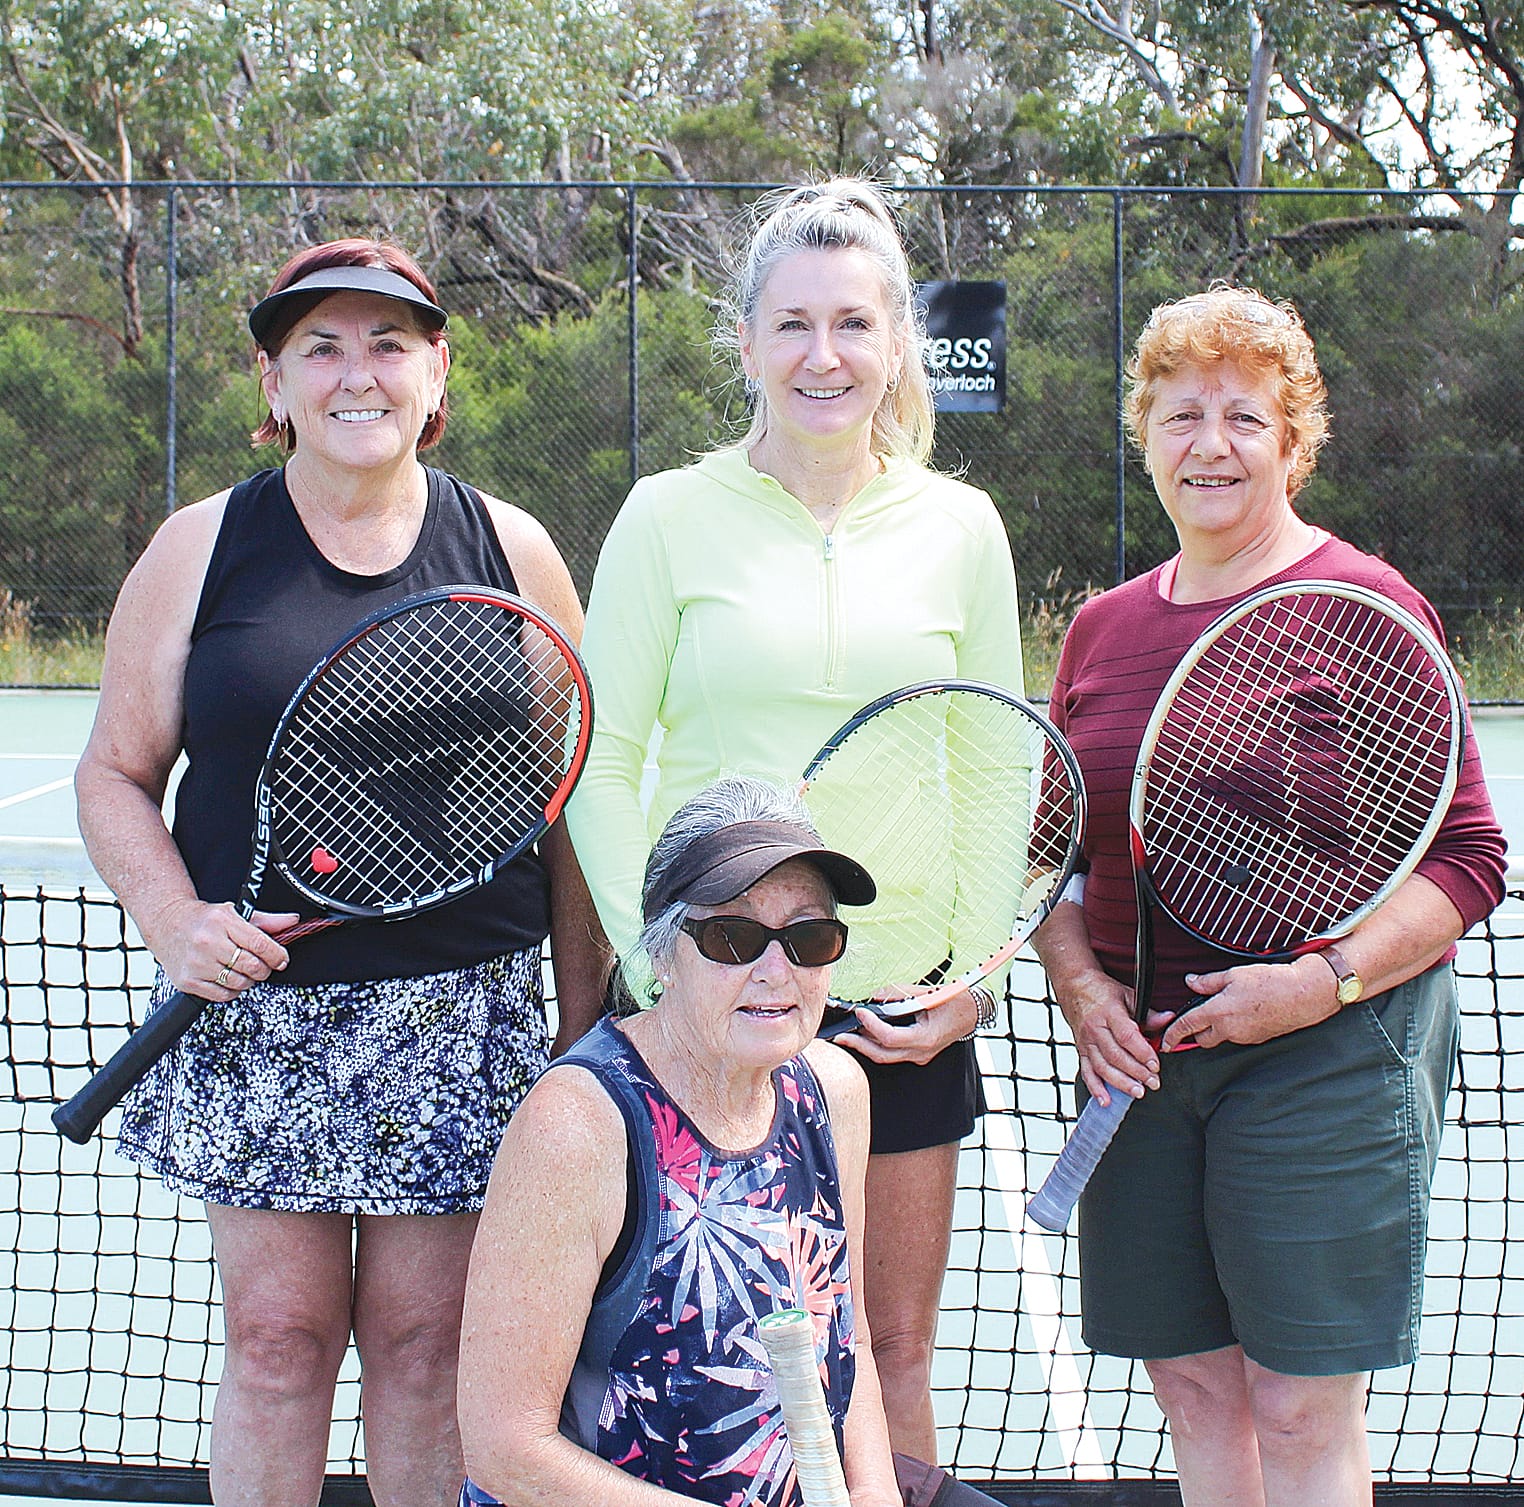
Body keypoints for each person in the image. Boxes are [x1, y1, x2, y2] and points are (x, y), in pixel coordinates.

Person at [73, 238, 604, 1507]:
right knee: (277, 1342)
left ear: (436, 376)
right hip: (258, 1018)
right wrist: (174, 919)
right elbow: (112, 775)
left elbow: (575, 800)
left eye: (389, 343)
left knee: (427, 1352)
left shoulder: (512, 548)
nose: (355, 374)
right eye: (320, 346)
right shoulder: (200, 549)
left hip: (463, 1014)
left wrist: (588, 1024)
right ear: (273, 383)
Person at [563, 177, 1024, 1462]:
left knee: (885, 1345)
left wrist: (974, 974)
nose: (825, 355)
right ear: (750, 341)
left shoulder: (962, 528)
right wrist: (663, 959)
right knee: (681, 1338)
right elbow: (596, 761)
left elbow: (995, 765)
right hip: (700, 1003)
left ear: (896, 347)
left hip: (893, 1006)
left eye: (855, 324)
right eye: (794, 324)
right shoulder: (666, 515)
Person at [1031, 284, 1508, 1507]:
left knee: (1298, 1405)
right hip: (1140, 1059)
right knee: (1195, 1386)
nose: (1211, 445)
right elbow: (1050, 859)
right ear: (1146, 434)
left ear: (1294, 442)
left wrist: (1317, 984)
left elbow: (1467, 859)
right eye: (1181, 414)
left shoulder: (1367, 607)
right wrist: (1083, 989)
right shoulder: (1098, 630)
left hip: (1326, 1056)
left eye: (1245, 416)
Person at [457, 776, 901, 1506]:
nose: (776, 970)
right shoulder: (580, 1124)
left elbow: (844, 1341)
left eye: (809, 937)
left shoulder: (833, 1091)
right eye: (734, 936)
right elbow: (505, 1445)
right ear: (663, 955)